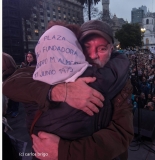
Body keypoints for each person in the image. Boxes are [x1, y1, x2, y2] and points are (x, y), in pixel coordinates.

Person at [3, 20, 134, 160]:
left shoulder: (121, 82)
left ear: (111, 49)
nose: (93, 55)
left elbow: (121, 134)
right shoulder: (56, 69)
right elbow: (11, 83)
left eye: (102, 49)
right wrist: (57, 91)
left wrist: (64, 150)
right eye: (86, 46)